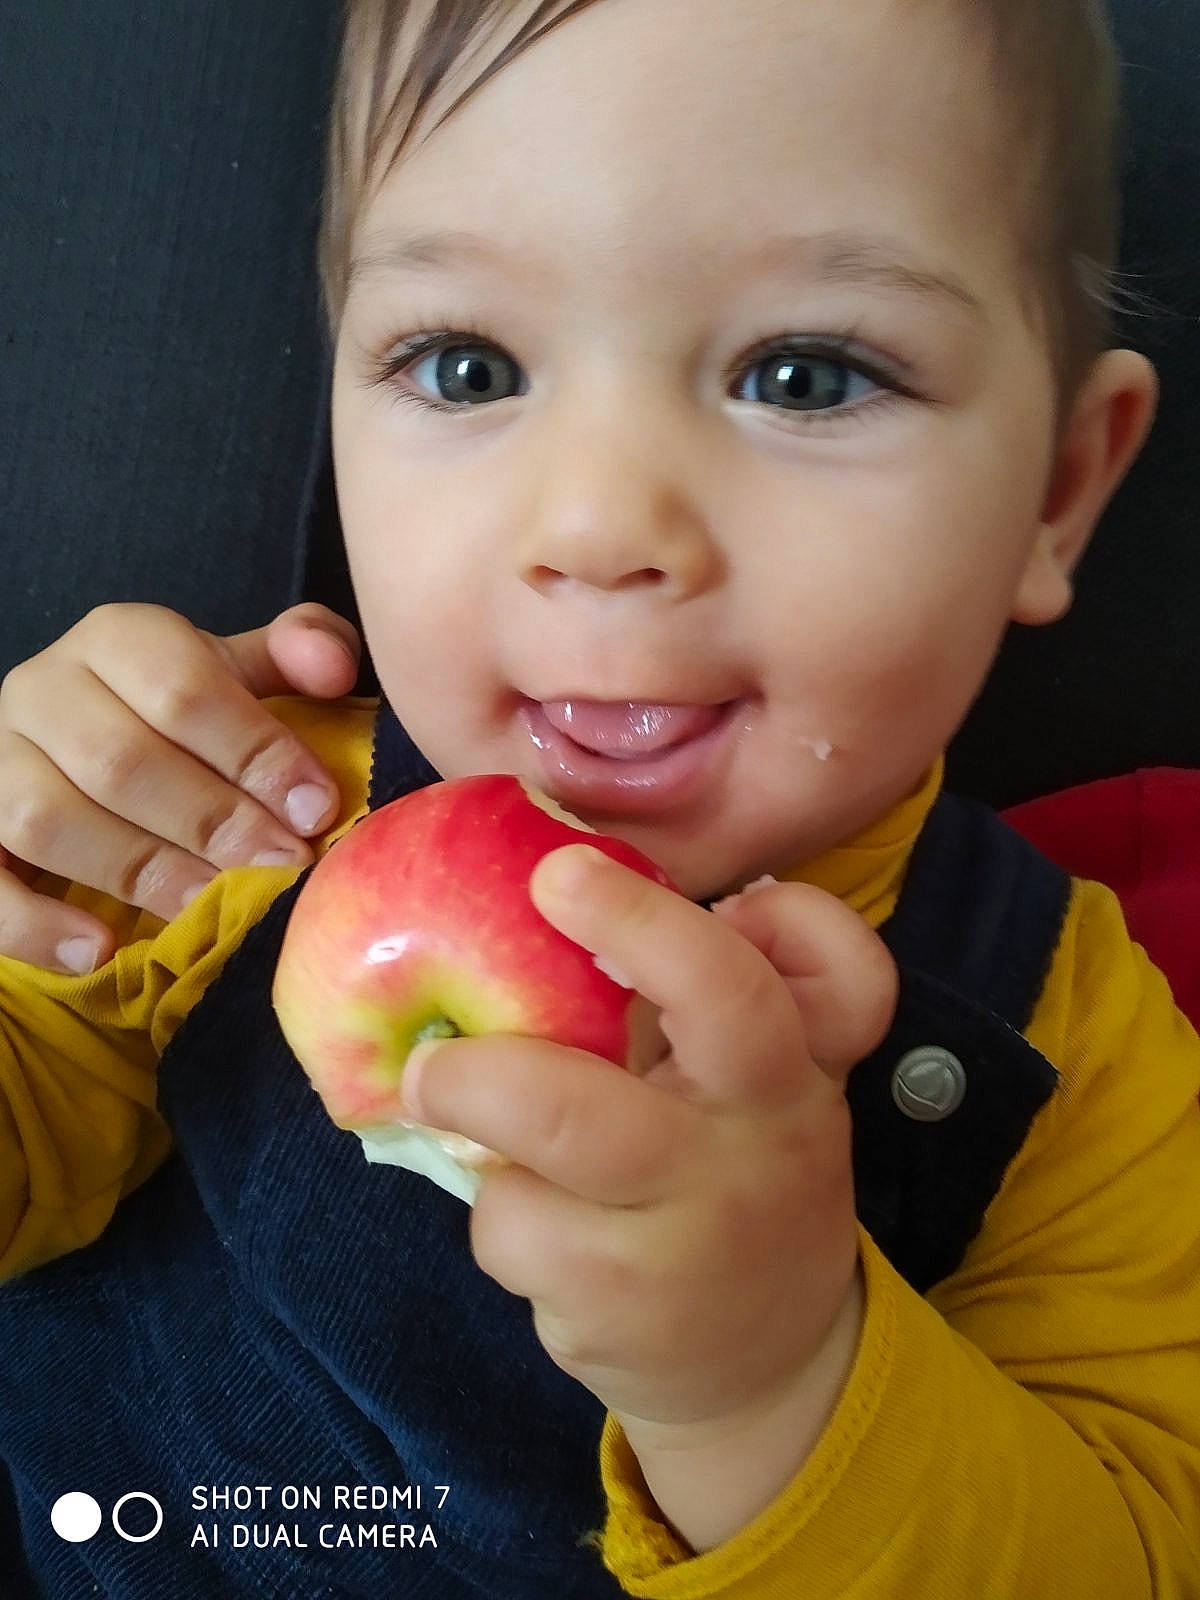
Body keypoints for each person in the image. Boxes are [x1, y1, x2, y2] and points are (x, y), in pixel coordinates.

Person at [1, 0, 1197, 1594]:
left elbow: (1127, 1550)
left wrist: (776, 1384)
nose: (596, 523)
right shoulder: (246, 809)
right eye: (467, 363)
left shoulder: (1072, 1052)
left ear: (1057, 491)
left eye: (805, 375)